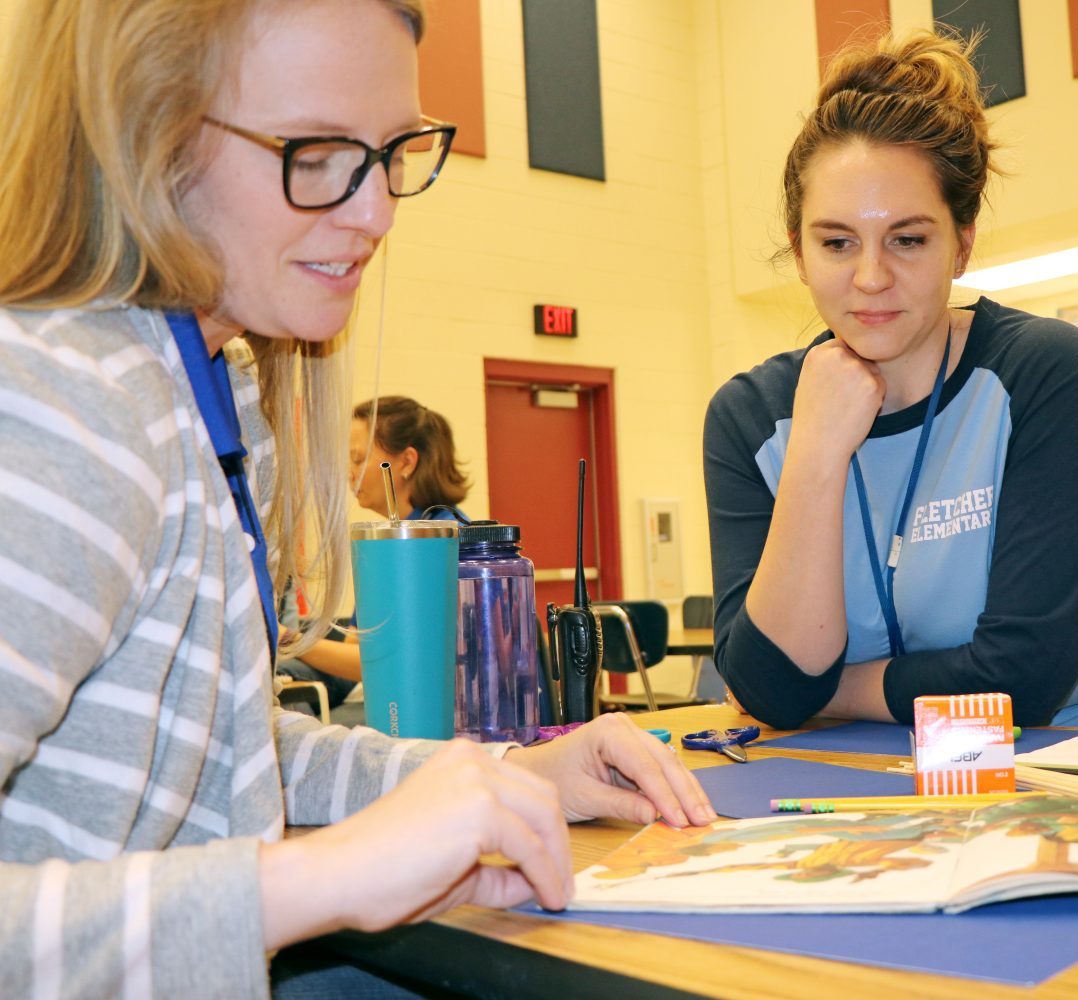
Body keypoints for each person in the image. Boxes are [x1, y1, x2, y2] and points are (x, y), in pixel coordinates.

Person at [0, 1, 714, 995]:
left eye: (391, 154)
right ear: (148, 133)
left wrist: (505, 777)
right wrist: (319, 877)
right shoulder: (62, 406)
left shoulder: (206, 393)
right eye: (319, 150)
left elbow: (221, 761)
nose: (374, 212)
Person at [703, 31, 1078, 731]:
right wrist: (815, 457)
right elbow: (770, 688)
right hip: (857, 778)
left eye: (908, 238)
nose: (870, 277)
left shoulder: (1045, 373)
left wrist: (829, 693)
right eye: (836, 243)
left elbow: (1021, 681)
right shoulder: (750, 416)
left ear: (963, 240)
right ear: (799, 253)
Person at [280, 395, 472, 702]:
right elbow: (357, 655)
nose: (350, 473)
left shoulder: (440, 542)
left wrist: (287, 638)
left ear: (407, 461)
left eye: (358, 459)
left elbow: (387, 664)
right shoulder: (385, 544)